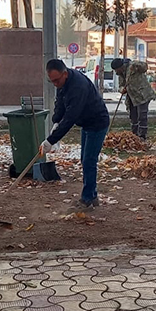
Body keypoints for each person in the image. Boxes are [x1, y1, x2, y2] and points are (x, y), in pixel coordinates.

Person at [40, 59, 110, 209]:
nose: (55, 84)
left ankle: (87, 199)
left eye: (56, 80)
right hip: (86, 123)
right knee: (85, 159)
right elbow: (60, 103)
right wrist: (56, 121)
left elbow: (71, 116)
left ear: (64, 73)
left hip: (97, 123)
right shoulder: (63, 82)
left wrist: (51, 140)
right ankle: (92, 195)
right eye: (51, 81)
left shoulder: (78, 86)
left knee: (89, 161)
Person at [111, 58, 154, 140]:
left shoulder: (133, 66)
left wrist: (137, 65)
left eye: (116, 70)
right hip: (132, 97)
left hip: (142, 95)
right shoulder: (121, 73)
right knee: (133, 116)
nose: (116, 72)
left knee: (142, 116)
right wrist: (122, 89)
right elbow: (121, 85)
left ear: (120, 67)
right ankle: (134, 135)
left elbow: (145, 67)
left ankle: (142, 136)